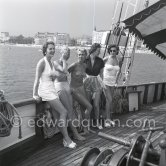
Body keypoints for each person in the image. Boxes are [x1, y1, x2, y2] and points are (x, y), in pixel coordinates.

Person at [33, 41, 76, 149]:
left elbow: (53, 76)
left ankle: (65, 139)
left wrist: (55, 75)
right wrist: (34, 94)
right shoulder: (41, 62)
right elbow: (37, 80)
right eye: (50, 49)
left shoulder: (51, 63)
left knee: (57, 116)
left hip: (52, 89)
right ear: (45, 50)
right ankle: (67, 139)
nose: (52, 50)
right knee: (64, 112)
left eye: (53, 48)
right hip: (45, 91)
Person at [53, 47, 86, 141]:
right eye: (65, 52)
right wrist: (63, 60)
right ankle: (74, 135)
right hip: (59, 87)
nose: (67, 54)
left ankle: (74, 134)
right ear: (61, 52)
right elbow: (63, 71)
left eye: (68, 53)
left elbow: (65, 77)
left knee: (70, 111)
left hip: (66, 86)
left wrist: (70, 88)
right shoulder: (55, 63)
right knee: (68, 111)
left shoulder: (66, 63)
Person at [68, 48, 93, 134]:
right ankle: (83, 127)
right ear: (77, 55)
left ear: (85, 56)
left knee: (83, 109)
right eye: (79, 54)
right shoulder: (74, 65)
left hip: (81, 87)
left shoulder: (85, 66)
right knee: (89, 107)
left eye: (82, 54)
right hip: (74, 89)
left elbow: (86, 76)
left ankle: (84, 129)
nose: (80, 56)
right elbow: (63, 74)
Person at [84, 43, 105, 129]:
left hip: (97, 82)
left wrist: (101, 85)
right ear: (93, 50)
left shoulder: (100, 61)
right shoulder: (85, 59)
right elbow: (82, 72)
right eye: (98, 51)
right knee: (88, 105)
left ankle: (97, 123)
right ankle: (87, 124)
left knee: (96, 105)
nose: (99, 52)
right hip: (87, 82)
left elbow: (101, 74)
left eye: (99, 51)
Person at [103, 44, 121, 127]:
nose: (112, 52)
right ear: (109, 51)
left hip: (113, 83)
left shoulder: (119, 59)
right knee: (109, 100)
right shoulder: (106, 59)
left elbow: (119, 72)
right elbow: (98, 68)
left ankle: (108, 118)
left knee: (109, 101)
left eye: (114, 50)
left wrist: (117, 81)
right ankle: (107, 119)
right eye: (111, 50)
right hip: (105, 82)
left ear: (117, 51)